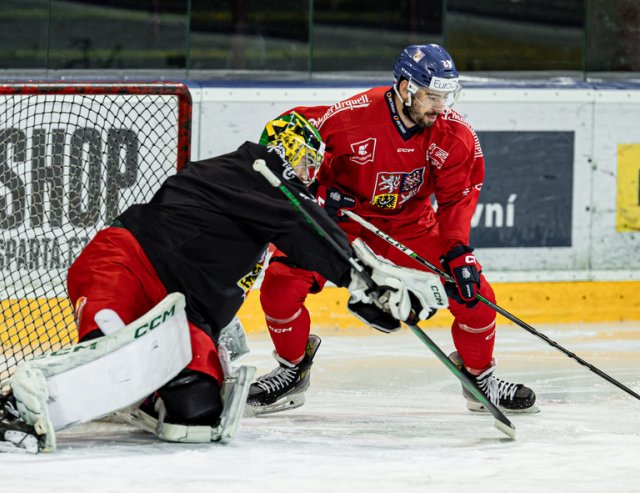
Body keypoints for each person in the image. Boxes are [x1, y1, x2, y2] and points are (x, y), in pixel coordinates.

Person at [0, 112, 447, 454]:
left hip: (183, 310)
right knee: (114, 349)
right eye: (309, 162)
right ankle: (14, 406)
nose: (312, 175)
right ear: (286, 151)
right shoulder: (257, 169)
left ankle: (145, 391)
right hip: (126, 265)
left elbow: (296, 236)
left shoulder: (265, 205)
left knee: (196, 412)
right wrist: (363, 278)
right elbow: (304, 224)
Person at [247, 44, 538, 416]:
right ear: (404, 88)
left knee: (474, 295)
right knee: (280, 285)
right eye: (432, 96)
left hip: (409, 225)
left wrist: (458, 250)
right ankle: (292, 369)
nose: (440, 106)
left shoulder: (454, 135)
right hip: (341, 224)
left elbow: (456, 201)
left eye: (445, 96)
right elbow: (291, 150)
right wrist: (321, 193)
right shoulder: (349, 118)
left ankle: (479, 378)